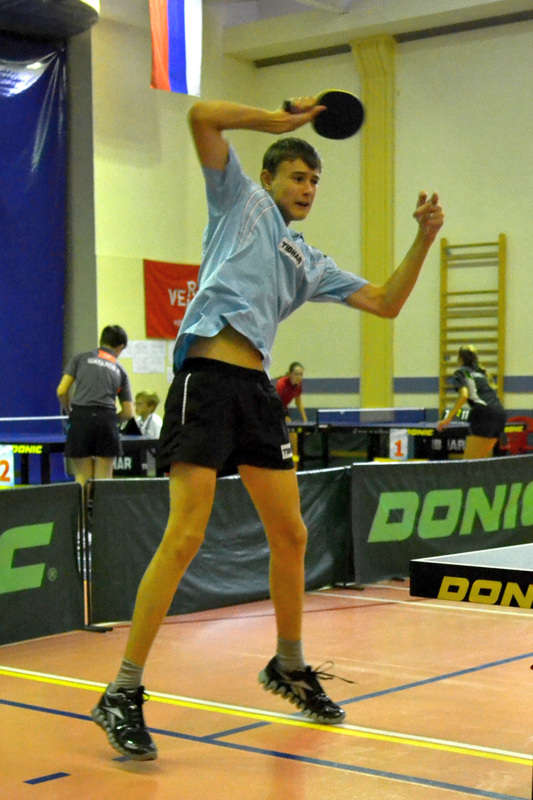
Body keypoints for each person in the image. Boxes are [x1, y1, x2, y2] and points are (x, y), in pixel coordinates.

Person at [91, 96, 444, 761]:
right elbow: (201, 116)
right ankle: (123, 689)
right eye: (297, 177)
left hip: (256, 391)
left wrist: (422, 239)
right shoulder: (240, 201)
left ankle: (288, 664)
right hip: (206, 379)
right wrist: (280, 122)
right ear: (270, 177)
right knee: (186, 534)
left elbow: (386, 302)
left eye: (315, 181)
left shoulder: (307, 260)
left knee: (292, 534)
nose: (307, 188)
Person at [56, 325, 134, 486]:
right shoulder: (120, 370)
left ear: (102, 341)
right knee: (104, 480)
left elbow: (61, 391)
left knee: (82, 477)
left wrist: (70, 411)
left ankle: (83, 504)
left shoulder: (80, 358)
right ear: (120, 348)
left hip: (81, 417)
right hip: (107, 421)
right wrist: (112, 420)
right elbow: (129, 412)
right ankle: (102, 504)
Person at [437, 344, 506, 458]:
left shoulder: (461, 372)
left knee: (469, 464)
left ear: (460, 358)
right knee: (479, 460)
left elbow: (464, 395)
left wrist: (448, 418)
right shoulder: (481, 373)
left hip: (483, 414)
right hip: (500, 414)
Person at [276, 362, 307, 467]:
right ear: (290, 374)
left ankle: (294, 467)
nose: (299, 377)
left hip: (284, 411)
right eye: (296, 374)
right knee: (287, 438)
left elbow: (298, 402)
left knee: (293, 440)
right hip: (273, 411)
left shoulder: (298, 385)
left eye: (301, 374)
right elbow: (275, 404)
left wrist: (305, 420)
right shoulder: (281, 384)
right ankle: (285, 465)